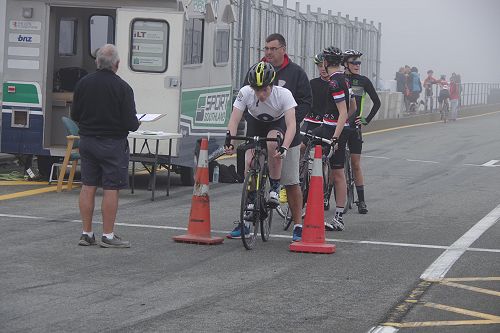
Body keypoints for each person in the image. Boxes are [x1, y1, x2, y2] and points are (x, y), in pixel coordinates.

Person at [72, 44, 140, 248]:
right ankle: (108, 235)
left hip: (88, 141)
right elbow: (131, 123)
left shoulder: (83, 84)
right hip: (112, 144)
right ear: (117, 64)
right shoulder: (123, 88)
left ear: (97, 62)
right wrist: (137, 122)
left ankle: (86, 233)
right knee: (111, 188)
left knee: (88, 186)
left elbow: (75, 115)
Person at [225, 62, 297, 238]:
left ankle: (274, 187)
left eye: (264, 89)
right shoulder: (245, 93)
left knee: (273, 145)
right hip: (256, 123)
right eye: (257, 90)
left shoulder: (284, 94)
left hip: (276, 123)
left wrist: (285, 146)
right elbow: (234, 120)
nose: (261, 94)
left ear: (272, 85)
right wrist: (230, 141)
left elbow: (292, 124)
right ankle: (248, 213)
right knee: (249, 162)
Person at [259, 33, 312, 242]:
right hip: (262, 130)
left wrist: (290, 121)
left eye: (273, 48)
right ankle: (247, 219)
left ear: (283, 49)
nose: (269, 52)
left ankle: (298, 224)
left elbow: (306, 101)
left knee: (290, 181)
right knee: (252, 174)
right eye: (266, 49)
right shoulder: (258, 70)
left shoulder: (296, 73)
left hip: (287, 133)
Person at [312, 46, 356, 231]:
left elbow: (343, 111)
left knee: (306, 150)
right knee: (337, 173)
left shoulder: (334, 83)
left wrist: (335, 138)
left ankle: (313, 201)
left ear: (325, 63)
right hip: (339, 128)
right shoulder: (344, 80)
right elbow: (353, 107)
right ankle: (338, 217)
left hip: (331, 129)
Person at [343, 49, 381, 214]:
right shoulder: (338, 79)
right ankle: (325, 197)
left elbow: (377, 102)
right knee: (333, 166)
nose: (357, 66)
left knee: (356, 164)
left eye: (359, 63)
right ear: (345, 64)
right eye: (354, 62)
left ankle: (362, 201)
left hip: (354, 127)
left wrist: (366, 119)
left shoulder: (363, 81)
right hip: (339, 126)